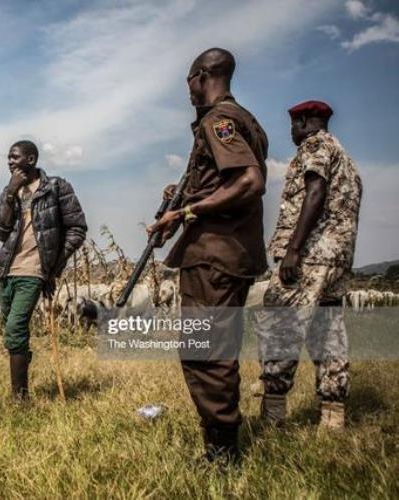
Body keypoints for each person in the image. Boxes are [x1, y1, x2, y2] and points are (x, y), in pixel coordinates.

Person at [148, 48, 268, 463]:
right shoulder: (243, 120)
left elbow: (249, 181)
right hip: (228, 254)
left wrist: (188, 210)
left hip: (214, 257)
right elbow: (225, 183)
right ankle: (222, 445)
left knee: (206, 353)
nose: (187, 89)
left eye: (188, 79)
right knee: (216, 350)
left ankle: (222, 455)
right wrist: (179, 208)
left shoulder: (220, 120)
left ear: (201, 76)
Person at [256, 100, 362, 430]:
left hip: (310, 256)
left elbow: (315, 192)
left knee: (280, 324)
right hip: (336, 260)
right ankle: (332, 415)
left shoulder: (315, 145)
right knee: (328, 331)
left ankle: (273, 413)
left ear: (304, 121)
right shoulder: (346, 158)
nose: (291, 131)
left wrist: (293, 250)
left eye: (293, 124)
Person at [0, 140, 87, 401]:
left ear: (31, 160)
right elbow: (0, 232)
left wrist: (55, 264)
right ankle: (21, 382)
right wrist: (10, 194)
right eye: (8, 158)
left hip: (34, 271)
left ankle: (19, 397)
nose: (10, 161)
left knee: (15, 327)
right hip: (8, 269)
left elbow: (77, 228)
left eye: (14, 157)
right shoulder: (9, 191)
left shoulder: (55, 188)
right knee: (11, 331)